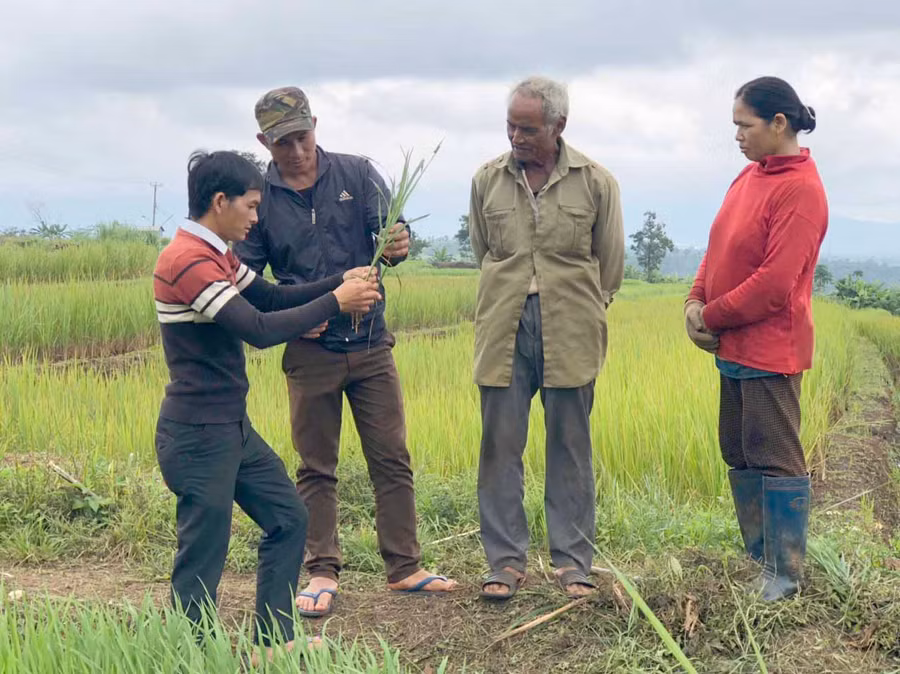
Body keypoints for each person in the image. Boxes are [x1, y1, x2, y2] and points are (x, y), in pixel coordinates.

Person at [234, 87, 456, 618]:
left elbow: (390, 241)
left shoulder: (356, 174)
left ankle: (404, 566)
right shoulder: (260, 198)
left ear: (316, 124)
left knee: (391, 457)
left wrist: (399, 244)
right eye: (282, 143)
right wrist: (298, 316)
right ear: (264, 142)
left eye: (302, 137)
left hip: (371, 341)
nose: (296, 151)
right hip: (310, 350)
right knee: (316, 465)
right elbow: (247, 279)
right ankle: (322, 569)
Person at [153, 150, 381, 652]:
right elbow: (256, 328)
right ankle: (191, 653)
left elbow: (272, 298)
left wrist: (341, 280)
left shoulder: (218, 255)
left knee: (288, 517)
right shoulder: (187, 261)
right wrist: (336, 302)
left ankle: (274, 640)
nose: (256, 218)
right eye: (252, 206)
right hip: (197, 433)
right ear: (221, 202)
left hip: (230, 426)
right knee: (203, 552)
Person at [468, 76, 625, 600]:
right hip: (503, 326)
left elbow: (610, 265)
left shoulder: (596, 182)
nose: (517, 137)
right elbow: (483, 251)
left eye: (529, 129)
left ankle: (573, 563)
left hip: (572, 327)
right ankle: (505, 563)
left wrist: (582, 309)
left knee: (570, 446)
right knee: (499, 446)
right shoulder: (486, 180)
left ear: (559, 125)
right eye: (511, 126)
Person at [685, 76, 828, 601]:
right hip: (733, 348)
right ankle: (760, 559)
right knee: (739, 449)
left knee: (773, 454)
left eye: (744, 125)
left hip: (770, 351)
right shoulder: (748, 178)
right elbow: (717, 246)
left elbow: (773, 285)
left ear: (779, 123)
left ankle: (784, 574)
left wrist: (712, 315)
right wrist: (694, 301)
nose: (738, 136)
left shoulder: (801, 190)